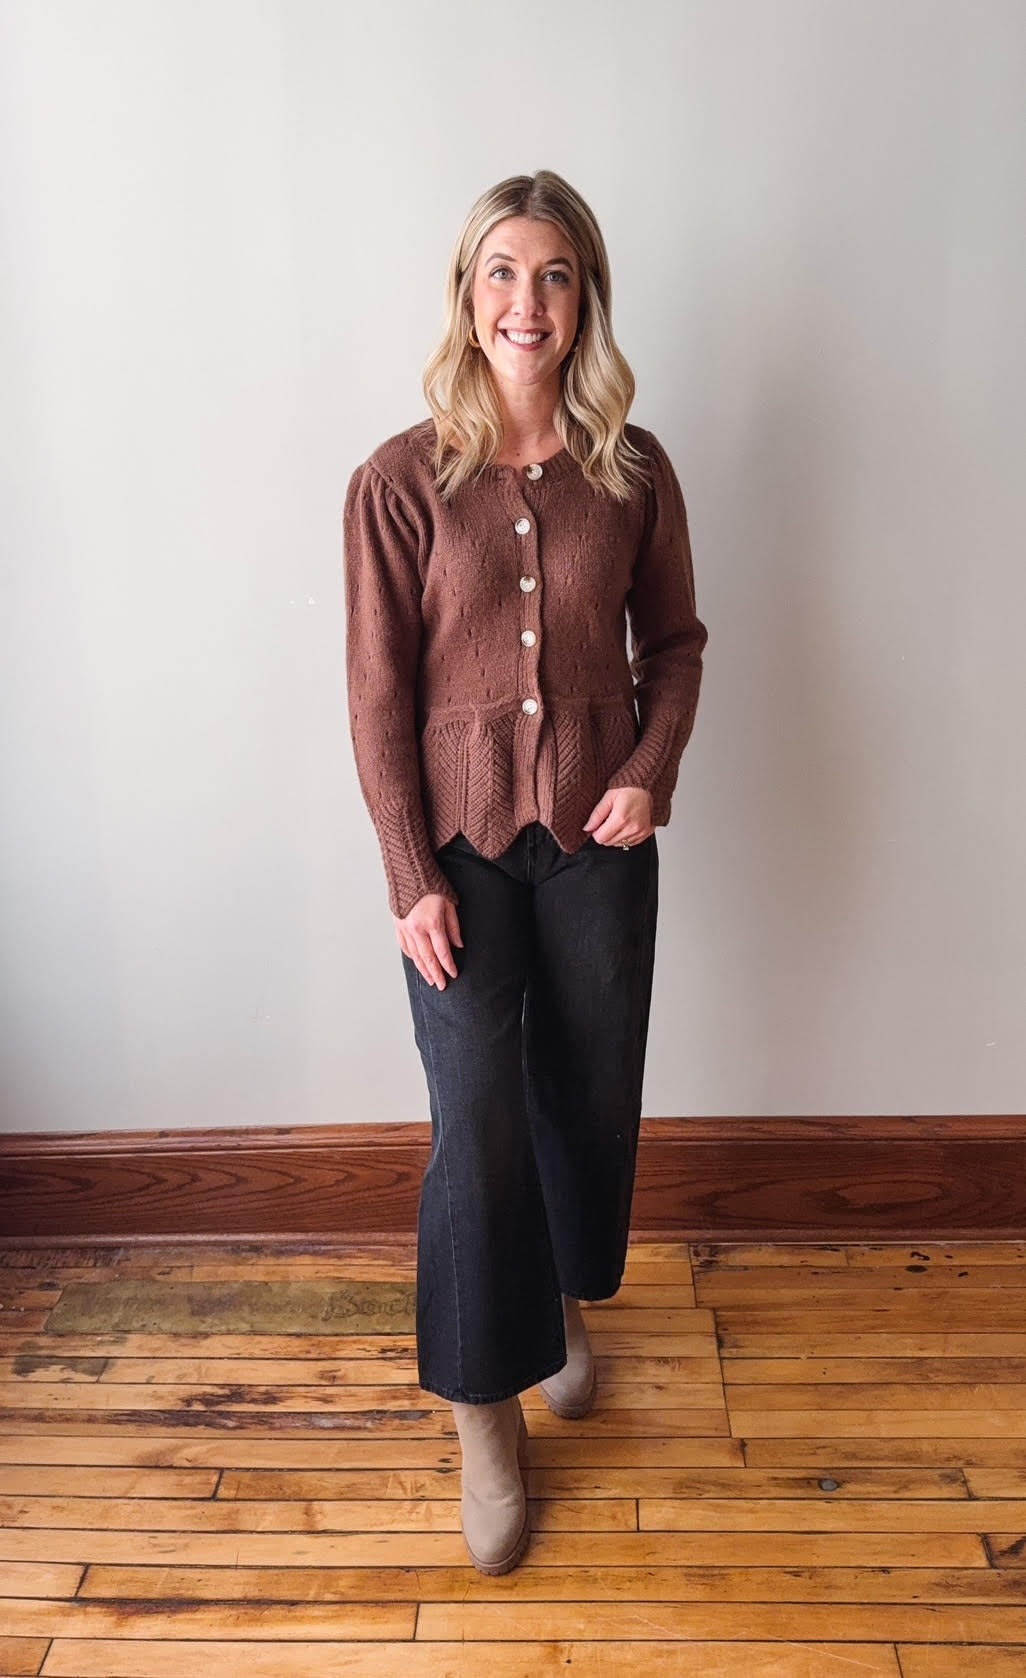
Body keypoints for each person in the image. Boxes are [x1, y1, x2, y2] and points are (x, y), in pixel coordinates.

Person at [342, 169, 707, 1574]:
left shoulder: (633, 468)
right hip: (456, 858)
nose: (525, 301)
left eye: (553, 275)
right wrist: (405, 874)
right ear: (465, 293)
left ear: (584, 298)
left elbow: (673, 646)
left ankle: (560, 1297)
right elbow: (378, 703)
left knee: (588, 1088)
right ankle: (480, 1410)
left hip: (599, 840)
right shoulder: (397, 481)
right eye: (502, 272)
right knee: (474, 1114)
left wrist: (646, 772)